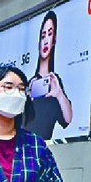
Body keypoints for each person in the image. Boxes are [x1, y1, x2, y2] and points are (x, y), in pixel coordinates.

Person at [25, 11, 73, 140]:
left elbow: (68, 119)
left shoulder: (55, 83)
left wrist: (59, 94)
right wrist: (28, 100)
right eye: (43, 35)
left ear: (54, 40)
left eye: (50, 34)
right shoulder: (29, 84)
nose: (46, 40)